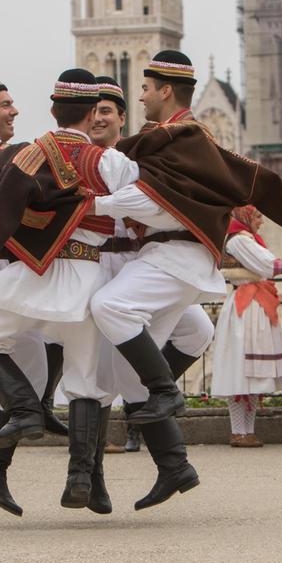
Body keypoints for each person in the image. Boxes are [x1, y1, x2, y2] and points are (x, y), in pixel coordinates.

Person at [91, 50, 282, 508]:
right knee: (135, 377)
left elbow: (266, 187)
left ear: (166, 90)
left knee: (109, 307)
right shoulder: (162, 140)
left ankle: (166, 390)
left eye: (147, 88)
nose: (142, 95)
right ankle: (174, 467)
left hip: (176, 257)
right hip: (167, 259)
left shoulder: (186, 139)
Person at [0, 69, 141, 514]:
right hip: (87, 276)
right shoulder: (110, 162)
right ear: (89, 112)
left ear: (53, 110)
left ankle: (25, 410)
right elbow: (142, 206)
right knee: (85, 378)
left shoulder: (29, 153)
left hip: (34, 274)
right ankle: (79, 478)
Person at [91, 76, 215, 457]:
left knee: (198, 330)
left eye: (106, 111)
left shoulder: (137, 157)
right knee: (97, 362)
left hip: (141, 259)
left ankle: (147, 404)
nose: (98, 118)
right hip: (100, 264)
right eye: (92, 111)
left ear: (121, 118)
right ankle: (92, 451)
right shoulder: (79, 158)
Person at [212, 205, 282, 448]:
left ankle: (247, 430)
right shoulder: (239, 240)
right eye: (258, 216)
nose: (262, 221)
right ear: (246, 216)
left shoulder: (247, 239)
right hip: (247, 303)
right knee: (241, 368)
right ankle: (238, 431)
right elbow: (268, 266)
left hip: (256, 302)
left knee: (252, 371)